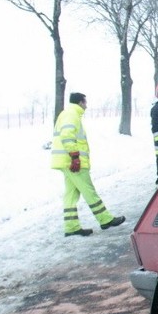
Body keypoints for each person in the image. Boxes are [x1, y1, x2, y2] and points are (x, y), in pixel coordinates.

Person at [50, 92, 125, 237]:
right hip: (72, 162)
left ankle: (71, 227)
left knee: (71, 195)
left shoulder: (68, 114)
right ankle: (105, 219)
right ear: (80, 103)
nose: (86, 106)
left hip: (66, 162)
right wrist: (75, 157)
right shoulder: (71, 115)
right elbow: (66, 135)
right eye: (85, 102)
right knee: (89, 190)